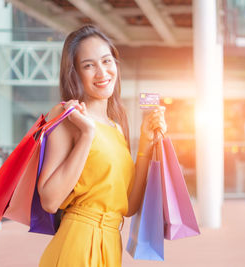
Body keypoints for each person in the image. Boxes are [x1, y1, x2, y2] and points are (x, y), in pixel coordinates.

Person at [37, 25, 167, 267]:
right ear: (74, 73)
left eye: (106, 61)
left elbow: (128, 205)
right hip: (77, 244)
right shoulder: (67, 115)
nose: (101, 72)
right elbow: (50, 200)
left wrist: (146, 143)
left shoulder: (118, 125)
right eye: (88, 65)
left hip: (110, 244)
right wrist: (87, 134)